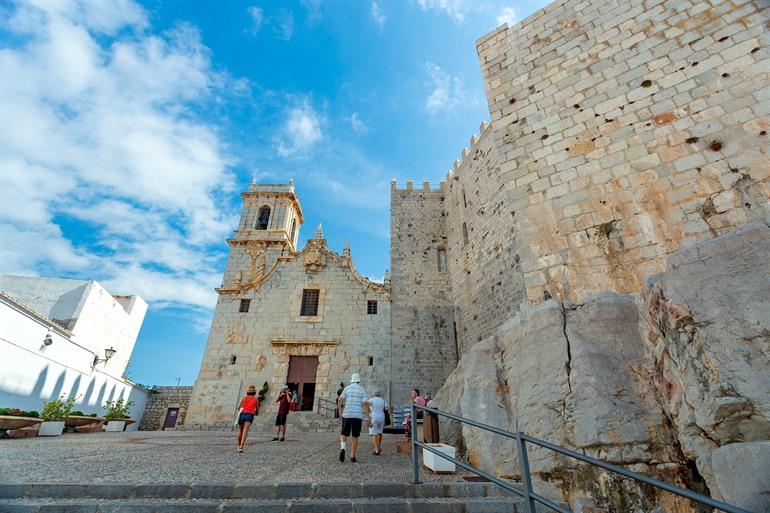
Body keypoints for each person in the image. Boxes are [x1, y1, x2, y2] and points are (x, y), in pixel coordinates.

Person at [338, 373, 367, 463]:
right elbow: (365, 403)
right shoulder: (362, 389)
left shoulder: (347, 388)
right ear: (358, 380)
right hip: (357, 415)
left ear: (352, 380)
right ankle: (353, 456)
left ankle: (343, 449)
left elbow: (340, 399)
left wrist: (340, 411)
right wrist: (369, 415)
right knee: (355, 435)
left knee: (344, 433)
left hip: (347, 414)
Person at [235, 385, 259, 452]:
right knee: (245, 431)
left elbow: (238, 407)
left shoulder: (244, 398)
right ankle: (241, 447)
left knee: (240, 431)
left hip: (242, 414)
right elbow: (257, 410)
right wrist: (255, 413)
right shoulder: (256, 399)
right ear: (254, 392)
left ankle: (238, 445)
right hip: (249, 415)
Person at [365, 389, 387, 456]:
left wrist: (369, 411)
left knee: (374, 433)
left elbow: (366, 404)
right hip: (382, 417)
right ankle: (379, 447)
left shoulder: (371, 399)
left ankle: (376, 450)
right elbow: (386, 409)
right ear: (380, 394)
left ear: (373, 393)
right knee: (380, 432)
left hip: (374, 417)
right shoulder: (383, 400)